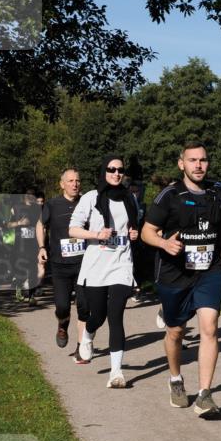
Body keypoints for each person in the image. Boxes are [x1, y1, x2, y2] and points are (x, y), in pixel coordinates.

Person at [141, 143, 221, 417]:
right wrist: (164, 244)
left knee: (209, 327)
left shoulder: (220, 193)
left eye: (203, 160)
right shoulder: (168, 196)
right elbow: (147, 232)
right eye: (192, 160)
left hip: (209, 271)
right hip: (174, 274)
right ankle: (176, 379)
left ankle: (204, 395)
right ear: (182, 164)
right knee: (176, 332)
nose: (198, 165)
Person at [69, 156, 139, 388]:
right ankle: (88, 336)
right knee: (97, 315)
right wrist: (96, 234)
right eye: (111, 169)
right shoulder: (91, 197)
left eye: (120, 170)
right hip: (97, 263)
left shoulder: (130, 197)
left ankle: (116, 373)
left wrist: (134, 233)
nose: (116, 173)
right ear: (104, 171)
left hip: (121, 262)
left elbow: (133, 225)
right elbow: (73, 229)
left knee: (115, 316)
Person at [37, 169, 90, 351]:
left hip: (84, 264)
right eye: (70, 181)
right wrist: (42, 247)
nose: (75, 184)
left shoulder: (87, 203)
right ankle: (62, 325)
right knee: (62, 306)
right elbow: (40, 225)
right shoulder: (52, 204)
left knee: (84, 305)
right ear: (62, 184)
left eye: (77, 180)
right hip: (60, 265)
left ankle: (82, 346)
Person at [6, 188, 41, 304]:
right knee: (21, 269)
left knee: (33, 270)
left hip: (33, 244)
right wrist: (19, 223)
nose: (31, 197)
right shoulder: (16, 207)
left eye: (33, 195)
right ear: (25, 196)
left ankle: (31, 296)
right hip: (20, 245)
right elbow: (7, 224)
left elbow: (41, 225)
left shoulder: (37, 208)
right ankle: (19, 289)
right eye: (29, 195)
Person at [127, 180, 148, 307]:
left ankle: (137, 288)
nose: (134, 194)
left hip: (140, 240)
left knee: (138, 264)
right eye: (132, 191)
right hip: (127, 239)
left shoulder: (144, 206)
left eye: (136, 191)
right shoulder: (125, 204)